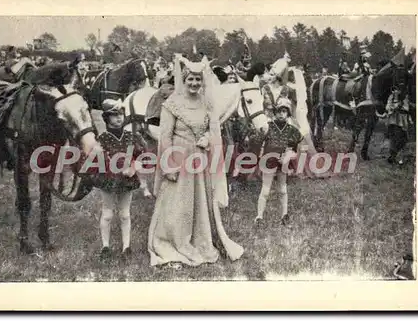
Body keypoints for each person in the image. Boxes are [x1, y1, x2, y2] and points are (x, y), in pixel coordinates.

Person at [148, 53, 244, 270]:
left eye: (197, 79)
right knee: (177, 204)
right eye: (190, 79)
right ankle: (171, 243)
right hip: (179, 159)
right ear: (183, 79)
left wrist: (207, 138)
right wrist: (168, 164)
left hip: (199, 161)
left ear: (203, 82)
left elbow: (215, 132)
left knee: (199, 203)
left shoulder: (207, 104)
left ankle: (199, 241)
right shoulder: (172, 103)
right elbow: (164, 137)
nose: (193, 83)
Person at [92, 99, 152, 260]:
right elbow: (96, 161)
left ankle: (126, 247)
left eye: (121, 114)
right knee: (108, 213)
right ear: (106, 118)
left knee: (125, 214)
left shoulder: (131, 137)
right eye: (114, 115)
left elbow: (143, 157)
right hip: (108, 180)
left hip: (127, 180)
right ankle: (105, 246)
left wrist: (133, 168)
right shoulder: (102, 139)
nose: (119, 118)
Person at [253, 98, 304, 225]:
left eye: (284, 111)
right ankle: (259, 217)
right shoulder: (268, 127)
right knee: (265, 190)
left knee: (282, 190)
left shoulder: (292, 130)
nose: (281, 114)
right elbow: (256, 141)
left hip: (283, 163)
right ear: (274, 112)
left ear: (288, 114)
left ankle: (284, 215)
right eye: (279, 111)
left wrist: (288, 156)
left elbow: (294, 150)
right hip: (269, 161)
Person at [386, 85, 411, 165]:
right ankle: (393, 156)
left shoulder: (404, 98)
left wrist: (399, 106)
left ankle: (396, 157)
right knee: (394, 139)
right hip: (393, 121)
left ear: (400, 91)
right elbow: (387, 107)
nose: (395, 92)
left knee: (403, 139)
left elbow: (407, 108)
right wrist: (391, 108)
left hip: (401, 121)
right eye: (393, 90)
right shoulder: (391, 97)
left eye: (397, 90)